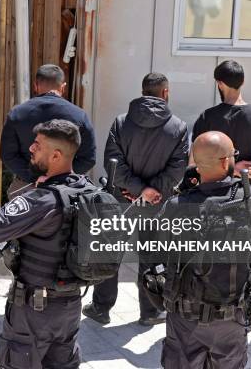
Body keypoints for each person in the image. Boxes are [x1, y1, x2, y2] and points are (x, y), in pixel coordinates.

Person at [159, 131, 251, 369]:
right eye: (233, 155)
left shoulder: (175, 207)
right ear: (224, 161)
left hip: (184, 320)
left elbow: (155, 260)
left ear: (196, 165)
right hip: (231, 320)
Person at [0, 119, 87, 369]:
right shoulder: (88, 192)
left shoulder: (43, 199)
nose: (31, 149)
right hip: (70, 308)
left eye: (37, 145)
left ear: (56, 155)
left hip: (33, 312)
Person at [83, 73, 188, 326]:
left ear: (143, 92)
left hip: (122, 199)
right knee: (152, 255)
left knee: (110, 252)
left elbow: (112, 164)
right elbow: (177, 170)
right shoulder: (178, 127)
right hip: (156, 204)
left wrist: (137, 188)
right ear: (165, 93)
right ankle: (151, 311)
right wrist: (151, 192)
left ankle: (101, 308)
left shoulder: (121, 123)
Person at [0, 64, 96, 198]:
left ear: (35, 85)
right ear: (63, 87)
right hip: (66, 192)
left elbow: (7, 155)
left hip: (26, 189)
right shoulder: (80, 116)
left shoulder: (17, 114)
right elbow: (89, 158)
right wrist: (61, 177)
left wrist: (34, 177)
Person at [191, 60, 251, 185]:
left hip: (211, 192)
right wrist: (244, 169)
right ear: (243, 82)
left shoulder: (207, 117)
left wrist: (229, 169)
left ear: (220, 84)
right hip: (246, 191)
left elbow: (193, 161)